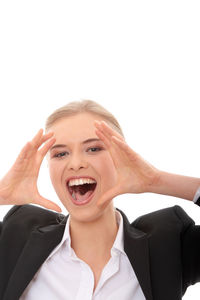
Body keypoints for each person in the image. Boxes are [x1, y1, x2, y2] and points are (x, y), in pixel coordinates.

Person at [0, 100, 200, 300]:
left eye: (93, 149)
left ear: (120, 157)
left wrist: (157, 181)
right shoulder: (15, 237)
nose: (76, 163)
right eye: (61, 153)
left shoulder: (168, 244)